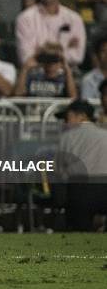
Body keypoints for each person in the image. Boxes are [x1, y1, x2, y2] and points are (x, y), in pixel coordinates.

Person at [15, 0, 86, 66]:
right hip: (36, 75)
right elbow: (25, 57)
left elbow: (77, 57)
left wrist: (42, 50)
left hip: (67, 73)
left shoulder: (74, 19)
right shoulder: (25, 18)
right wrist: (63, 48)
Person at [55, 99, 107, 231]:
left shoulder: (67, 137)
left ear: (82, 116)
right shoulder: (105, 134)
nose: (65, 123)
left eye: (67, 118)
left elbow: (59, 171)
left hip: (80, 192)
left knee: (80, 234)